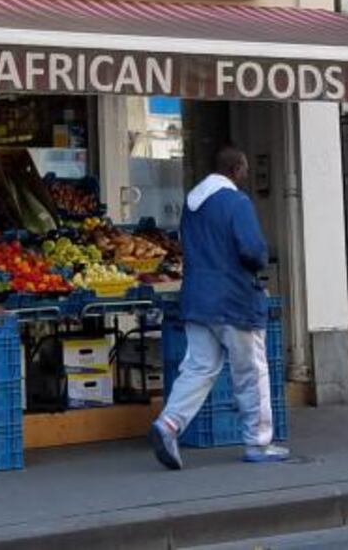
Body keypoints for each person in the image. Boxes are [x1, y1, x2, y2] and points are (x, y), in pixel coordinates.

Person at [149, 147, 289, 469]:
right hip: (235, 298)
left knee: (199, 367)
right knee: (250, 371)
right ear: (237, 169)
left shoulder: (192, 204)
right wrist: (260, 262)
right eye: (245, 170)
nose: (246, 176)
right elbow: (253, 250)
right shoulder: (236, 202)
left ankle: (168, 424)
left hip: (198, 297)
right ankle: (258, 442)